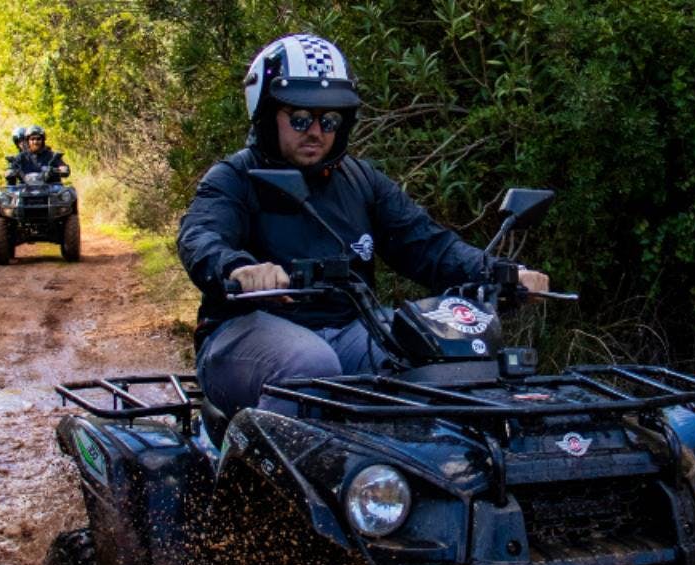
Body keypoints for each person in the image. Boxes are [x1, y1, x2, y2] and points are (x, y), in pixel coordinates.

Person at [177, 33, 549, 417]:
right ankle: (256, 476)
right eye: (300, 117)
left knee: (431, 345)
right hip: (242, 332)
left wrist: (502, 273)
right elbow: (200, 235)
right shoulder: (234, 177)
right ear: (267, 114)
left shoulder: (361, 181)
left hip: (348, 329)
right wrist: (238, 267)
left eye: (330, 118)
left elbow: (426, 243)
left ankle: (429, 470)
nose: (316, 131)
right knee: (310, 366)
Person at [6, 125, 70, 184]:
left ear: (43, 140)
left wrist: (62, 169)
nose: (35, 142)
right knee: (2, 195)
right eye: (32, 139)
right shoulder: (21, 157)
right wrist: (10, 171)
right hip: (25, 191)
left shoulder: (52, 156)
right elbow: (10, 169)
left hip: (51, 191)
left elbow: (62, 167)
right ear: (28, 141)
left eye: (38, 139)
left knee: (68, 193)